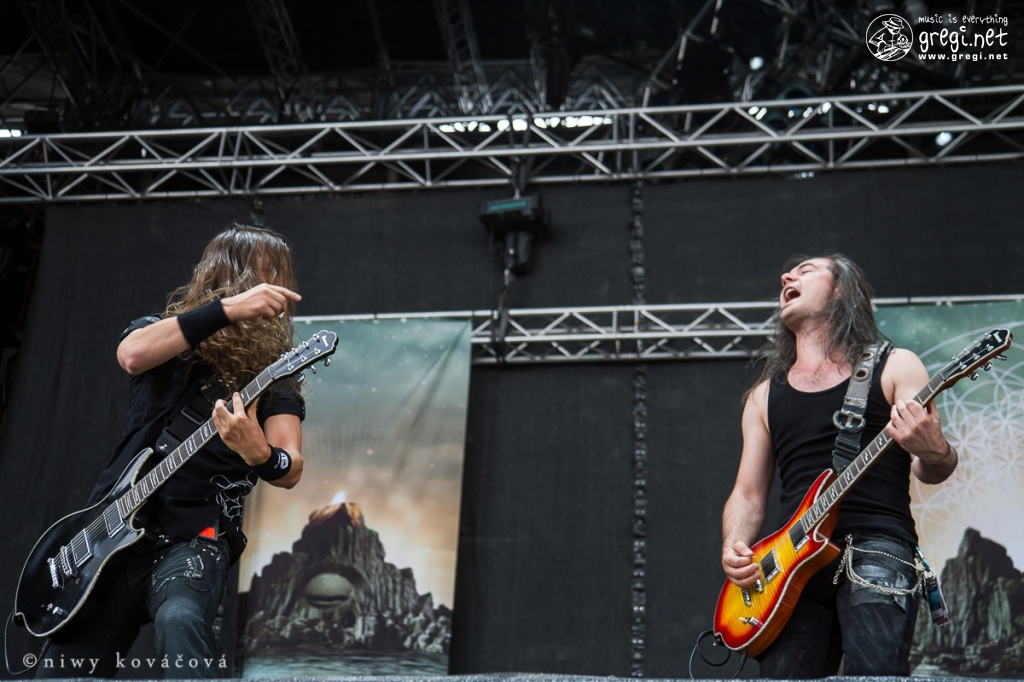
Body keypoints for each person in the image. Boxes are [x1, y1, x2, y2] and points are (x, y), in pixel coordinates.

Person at [36, 222, 305, 678]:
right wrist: (230, 309)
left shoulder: (274, 375)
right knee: (61, 670)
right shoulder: (160, 334)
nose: (273, 288)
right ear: (226, 276)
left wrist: (260, 453)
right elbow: (132, 356)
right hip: (108, 537)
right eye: (264, 274)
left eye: (279, 276)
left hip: (193, 537)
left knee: (180, 621)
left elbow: (291, 467)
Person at [721, 254, 957, 677]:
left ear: (840, 291)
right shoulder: (763, 397)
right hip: (791, 563)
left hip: (877, 546)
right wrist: (735, 545)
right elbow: (748, 493)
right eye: (788, 273)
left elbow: (932, 467)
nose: (787, 275)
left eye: (806, 270)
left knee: (873, 674)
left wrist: (934, 449)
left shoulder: (896, 365)